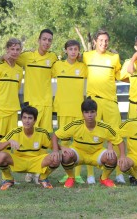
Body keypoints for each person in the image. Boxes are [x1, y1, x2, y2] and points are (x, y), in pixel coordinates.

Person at [12, 29, 58, 183]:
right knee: (29, 136)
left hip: (46, 104)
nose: (46, 42)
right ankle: (30, 169)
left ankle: (38, 170)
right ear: (38, 40)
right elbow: (11, 58)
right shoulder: (27, 57)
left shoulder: (52, 58)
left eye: (49, 40)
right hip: (31, 105)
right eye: (44, 39)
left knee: (44, 139)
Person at [52, 98, 126, 188]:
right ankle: (71, 177)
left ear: (96, 113)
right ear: (82, 114)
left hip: (96, 153)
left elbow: (120, 142)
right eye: (86, 112)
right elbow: (55, 136)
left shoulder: (105, 127)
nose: (89, 115)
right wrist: (57, 150)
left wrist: (122, 156)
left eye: (92, 112)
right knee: (66, 155)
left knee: (112, 157)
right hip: (78, 152)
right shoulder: (75, 125)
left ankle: (104, 178)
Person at [83, 29, 125, 184]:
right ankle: (90, 174)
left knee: (115, 136)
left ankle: (119, 173)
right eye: (101, 40)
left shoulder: (114, 58)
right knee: (91, 136)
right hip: (94, 101)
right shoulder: (87, 56)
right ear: (95, 41)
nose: (103, 43)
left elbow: (121, 75)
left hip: (111, 102)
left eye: (106, 40)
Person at [51, 39, 93, 184]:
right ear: (65, 51)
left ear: (78, 51)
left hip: (77, 110)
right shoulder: (57, 66)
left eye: (76, 49)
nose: (73, 52)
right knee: (64, 142)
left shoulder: (83, 67)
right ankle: (68, 173)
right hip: (62, 109)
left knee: (78, 142)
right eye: (70, 49)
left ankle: (77, 174)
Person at [0, 38, 23, 187]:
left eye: (17, 49)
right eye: (12, 49)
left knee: (7, 145)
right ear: (7, 50)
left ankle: (6, 177)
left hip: (13, 112)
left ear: (20, 51)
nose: (14, 52)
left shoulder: (20, 70)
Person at [0, 106, 60, 190]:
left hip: (36, 161)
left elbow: (53, 145)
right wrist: (8, 142)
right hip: (19, 161)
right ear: (21, 119)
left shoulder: (42, 132)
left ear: (35, 120)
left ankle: (43, 178)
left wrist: (64, 148)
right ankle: (8, 179)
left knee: (57, 157)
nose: (27, 121)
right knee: (1, 156)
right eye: (24, 118)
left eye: (30, 118)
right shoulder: (15, 132)